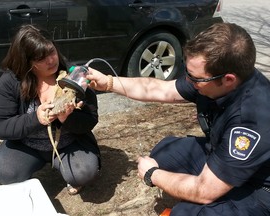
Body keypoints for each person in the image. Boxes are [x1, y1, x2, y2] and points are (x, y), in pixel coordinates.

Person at [86, 22, 270, 215]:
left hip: (259, 187)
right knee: (164, 154)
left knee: (184, 212)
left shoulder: (251, 120)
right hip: (224, 157)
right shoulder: (214, 78)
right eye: (187, 71)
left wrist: (152, 175)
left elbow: (204, 191)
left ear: (228, 79)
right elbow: (163, 90)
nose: (188, 81)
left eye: (195, 78)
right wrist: (109, 83)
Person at [0, 24, 101, 195]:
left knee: (84, 173)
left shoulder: (74, 76)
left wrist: (67, 119)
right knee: (3, 172)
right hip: (27, 145)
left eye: (52, 51)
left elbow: (90, 119)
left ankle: (70, 174)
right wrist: (36, 119)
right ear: (26, 62)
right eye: (41, 58)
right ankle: (31, 166)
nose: (51, 60)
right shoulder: (11, 80)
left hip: (68, 143)